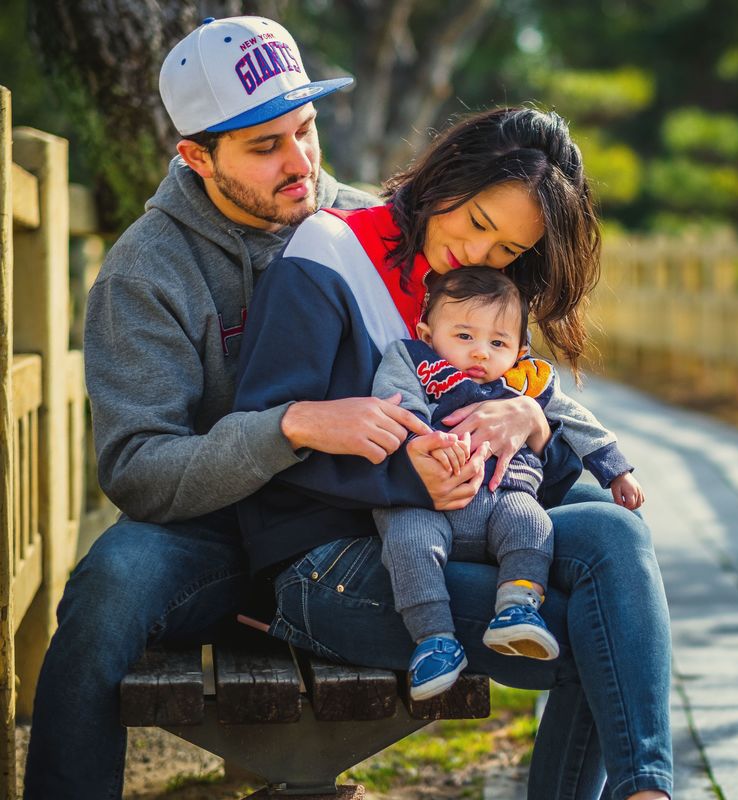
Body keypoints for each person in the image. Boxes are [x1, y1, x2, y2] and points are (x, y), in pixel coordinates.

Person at [23, 15, 437, 799]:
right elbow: (139, 471)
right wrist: (290, 427)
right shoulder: (144, 272)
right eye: (264, 146)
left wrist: (527, 409)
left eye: (305, 131)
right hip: (212, 537)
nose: (300, 163)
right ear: (196, 156)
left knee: (584, 545)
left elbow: (481, 335)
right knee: (104, 593)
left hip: (358, 523)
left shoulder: (363, 225)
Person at [233, 107, 673, 799]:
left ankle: (647, 788)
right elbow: (265, 442)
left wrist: (528, 418)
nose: (481, 257)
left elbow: (541, 479)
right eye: (476, 225)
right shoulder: (328, 257)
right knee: (604, 631)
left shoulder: (475, 300)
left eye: (507, 252)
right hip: (329, 563)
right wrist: (407, 476)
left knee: (617, 531)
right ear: (444, 180)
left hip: (461, 529)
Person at [367, 266, 644, 700]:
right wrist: (425, 440)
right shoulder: (414, 360)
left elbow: (578, 421)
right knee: (406, 543)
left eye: (498, 343)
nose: (480, 353)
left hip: (504, 495)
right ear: (427, 332)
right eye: (464, 336)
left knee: (534, 524)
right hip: (427, 505)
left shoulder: (527, 381)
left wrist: (616, 469)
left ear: (519, 349)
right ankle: (434, 639)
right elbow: (394, 402)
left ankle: (517, 608)